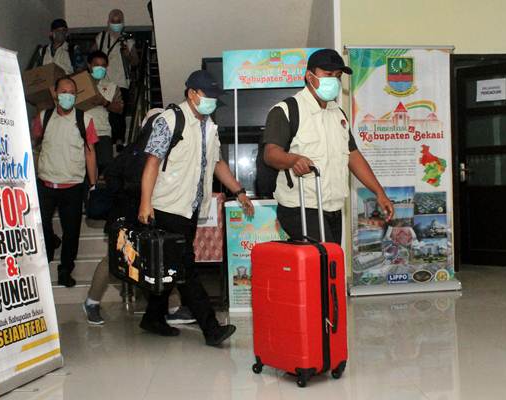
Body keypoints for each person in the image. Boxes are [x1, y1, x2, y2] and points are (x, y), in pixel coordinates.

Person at [137, 70, 254, 346]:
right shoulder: (170, 121)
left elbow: (217, 164)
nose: (213, 101)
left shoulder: (209, 126)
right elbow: (152, 162)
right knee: (186, 270)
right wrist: (145, 202)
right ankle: (211, 329)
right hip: (166, 206)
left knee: (170, 267)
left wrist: (238, 191)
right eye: (209, 96)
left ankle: (153, 317)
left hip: (190, 209)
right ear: (192, 94)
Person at [262, 49, 394, 243]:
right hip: (300, 207)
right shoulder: (287, 110)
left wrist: (379, 192)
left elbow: (353, 155)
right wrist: (294, 160)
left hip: (333, 208)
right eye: (329, 74)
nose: (335, 81)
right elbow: (270, 154)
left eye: (338, 76)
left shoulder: (338, 114)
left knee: (330, 266)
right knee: (322, 262)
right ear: (310, 76)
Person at [32, 77, 98, 287]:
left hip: (73, 186)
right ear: (55, 93)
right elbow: (33, 144)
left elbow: (90, 153)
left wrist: (93, 184)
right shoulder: (43, 117)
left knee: (72, 232)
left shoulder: (85, 119)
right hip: (45, 184)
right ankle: (50, 244)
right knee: (41, 226)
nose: (67, 96)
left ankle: (65, 269)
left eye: (72, 92)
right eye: (64, 91)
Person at [94, 9, 139, 145]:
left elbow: (136, 61)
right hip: (104, 81)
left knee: (119, 111)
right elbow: (92, 56)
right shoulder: (101, 37)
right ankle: (107, 139)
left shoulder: (128, 40)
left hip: (121, 82)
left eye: (118, 21)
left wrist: (128, 55)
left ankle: (119, 140)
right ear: (108, 22)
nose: (116, 23)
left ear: (123, 22)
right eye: (113, 21)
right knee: (105, 111)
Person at [86, 50, 124, 173]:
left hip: (102, 133)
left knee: (106, 168)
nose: (100, 68)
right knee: (84, 169)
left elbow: (119, 108)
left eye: (103, 65)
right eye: (96, 65)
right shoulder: (80, 84)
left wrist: (104, 102)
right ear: (89, 65)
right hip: (82, 132)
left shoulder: (112, 86)